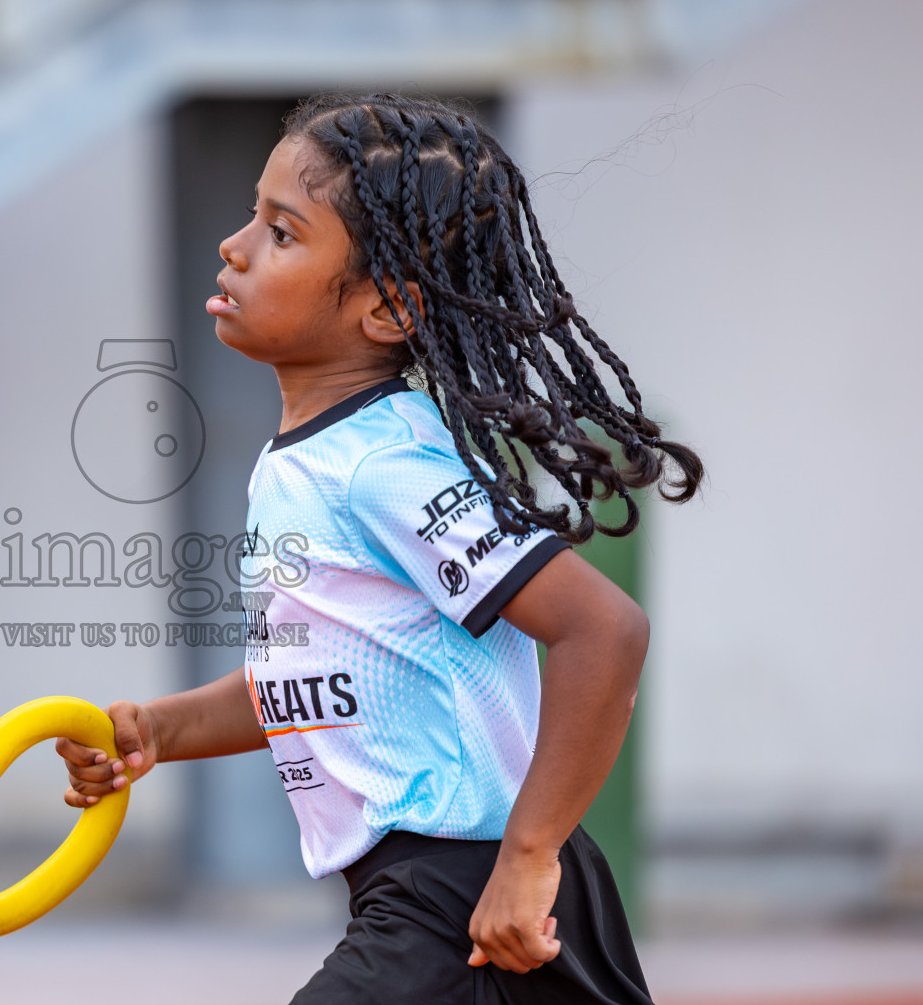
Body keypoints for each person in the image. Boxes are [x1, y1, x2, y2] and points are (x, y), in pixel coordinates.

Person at [56, 92, 703, 1004]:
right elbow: (329, 683)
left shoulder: (383, 466)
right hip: (441, 895)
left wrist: (527, 857)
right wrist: (162, 731)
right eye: (252, 215)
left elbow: (605, 630)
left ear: (389, 309)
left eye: (281, 233)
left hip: (472, 897)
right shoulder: (319, 457)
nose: (233, 246)